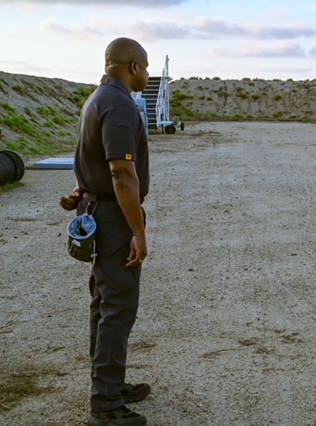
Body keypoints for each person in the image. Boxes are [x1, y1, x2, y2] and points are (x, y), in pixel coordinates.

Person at [60, 37, 151, 426]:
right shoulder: (118, 104)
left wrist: (83, 189)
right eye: (145, 67)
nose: (147, 74)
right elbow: (120, 172)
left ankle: (110, 382)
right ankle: (106, 403)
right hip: (113, 218)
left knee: (103, 301)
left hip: (97, 206)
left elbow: (92, 157)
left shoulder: (97, 97)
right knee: (117, 307)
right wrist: (138, 232)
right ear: (133, 66)